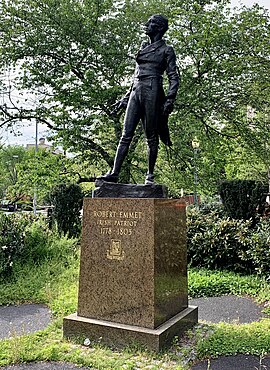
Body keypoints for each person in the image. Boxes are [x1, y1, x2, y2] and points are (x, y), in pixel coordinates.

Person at [99, 14, 179, 184]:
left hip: (153, 91)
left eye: (150, 23)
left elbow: (173, 77)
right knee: (125, 134)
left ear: (158, 27)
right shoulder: (142, 47)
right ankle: (114, 173)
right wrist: (126, 97)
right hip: (136, 91)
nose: (146, 25)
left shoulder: (166, 50)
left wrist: (170, 99)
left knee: (151, 136)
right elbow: (135, 75)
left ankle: (149, 176)